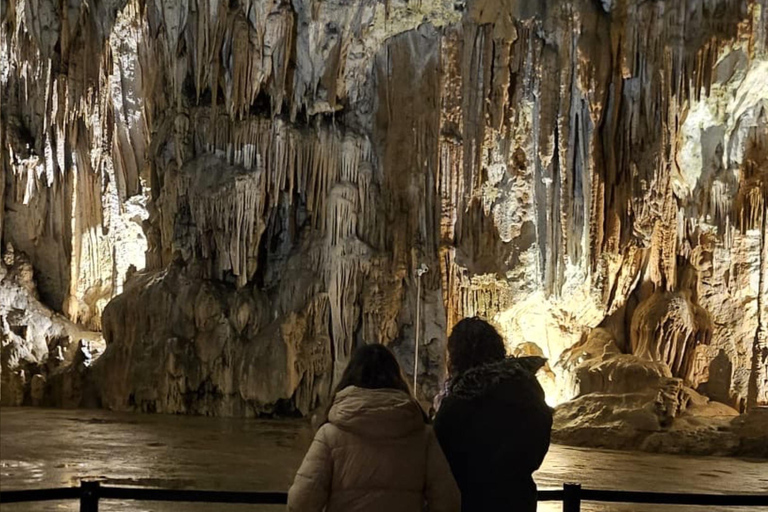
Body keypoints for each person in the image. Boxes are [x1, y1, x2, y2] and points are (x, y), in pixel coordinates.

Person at [287, 343, 460, 512]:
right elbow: (448, 502)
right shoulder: (423, 437)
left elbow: (301, 503)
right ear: (397, 379)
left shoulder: (330, 435)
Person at [433, 317, 552, 512]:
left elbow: (442, 450)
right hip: (518, 497)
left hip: (472, 498)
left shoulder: (463, 399)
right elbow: (539, 437)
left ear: (457, 355)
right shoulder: (526, 390)